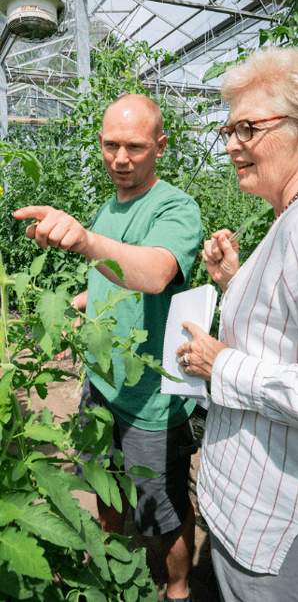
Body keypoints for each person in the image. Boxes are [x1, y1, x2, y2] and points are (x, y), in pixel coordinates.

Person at [13, 93, 202, 602]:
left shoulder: (174, 207)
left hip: (151, 400)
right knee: (104, 484)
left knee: (162, 511)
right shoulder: (110, 204)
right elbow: (115, 272)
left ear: (160, 146)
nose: (120, 158)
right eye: (110, 145)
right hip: (101, 385)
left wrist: (85, 242)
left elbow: (157, 272)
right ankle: (111, 558)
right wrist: (79, 302)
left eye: (135, 147)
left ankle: (179, 587)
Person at [176, 46, 298, 602]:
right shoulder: (285, 224)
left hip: (272, 531)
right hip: (247, 512)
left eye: (248, 128)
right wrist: (233, 280)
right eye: (229, 129)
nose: (231, 145)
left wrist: (220, 364)